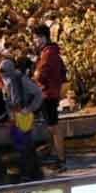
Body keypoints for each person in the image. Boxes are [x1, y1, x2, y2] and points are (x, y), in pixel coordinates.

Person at [0, 59, 44, 181]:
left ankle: (29, 173)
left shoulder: (20, 79)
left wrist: (29, 108)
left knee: (25, 145)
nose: (2, 74)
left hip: (23, 115)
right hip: (15, 116)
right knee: (23, 145)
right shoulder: (9, 80)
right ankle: (33, 172)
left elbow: (38, 93)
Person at [32, 23, 68, 171]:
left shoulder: (47, 54)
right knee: (52, 126)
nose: (34, 41)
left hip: (48, 94)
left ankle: (60, 158)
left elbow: (40, 75)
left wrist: (34, 75)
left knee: (54, 127)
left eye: (35, 38)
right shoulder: (53, 52)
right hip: (53, 92)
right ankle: (54, 152)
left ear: (42, 38)